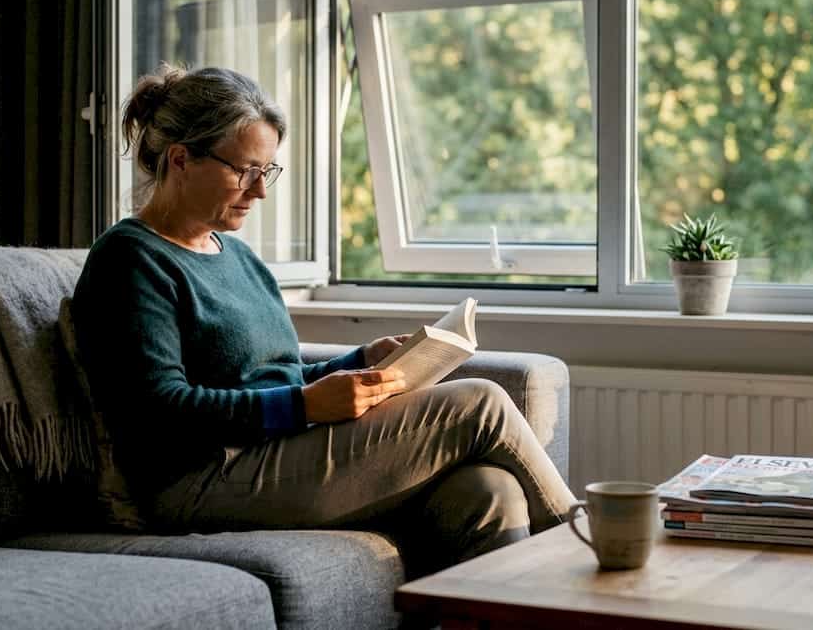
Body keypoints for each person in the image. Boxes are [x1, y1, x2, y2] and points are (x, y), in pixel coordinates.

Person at [72, 64, 575, 572]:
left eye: (267, 171)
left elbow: (276, 375)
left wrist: (359, 362)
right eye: (245, 171)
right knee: (480, 403)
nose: (260, 191)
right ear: (181, 160)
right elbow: (160, 409)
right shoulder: (129, 259)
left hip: (279, 447)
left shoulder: (237, 257)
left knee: (490, 491)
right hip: (202, 477)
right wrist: (304, 405)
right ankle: (589, 545)